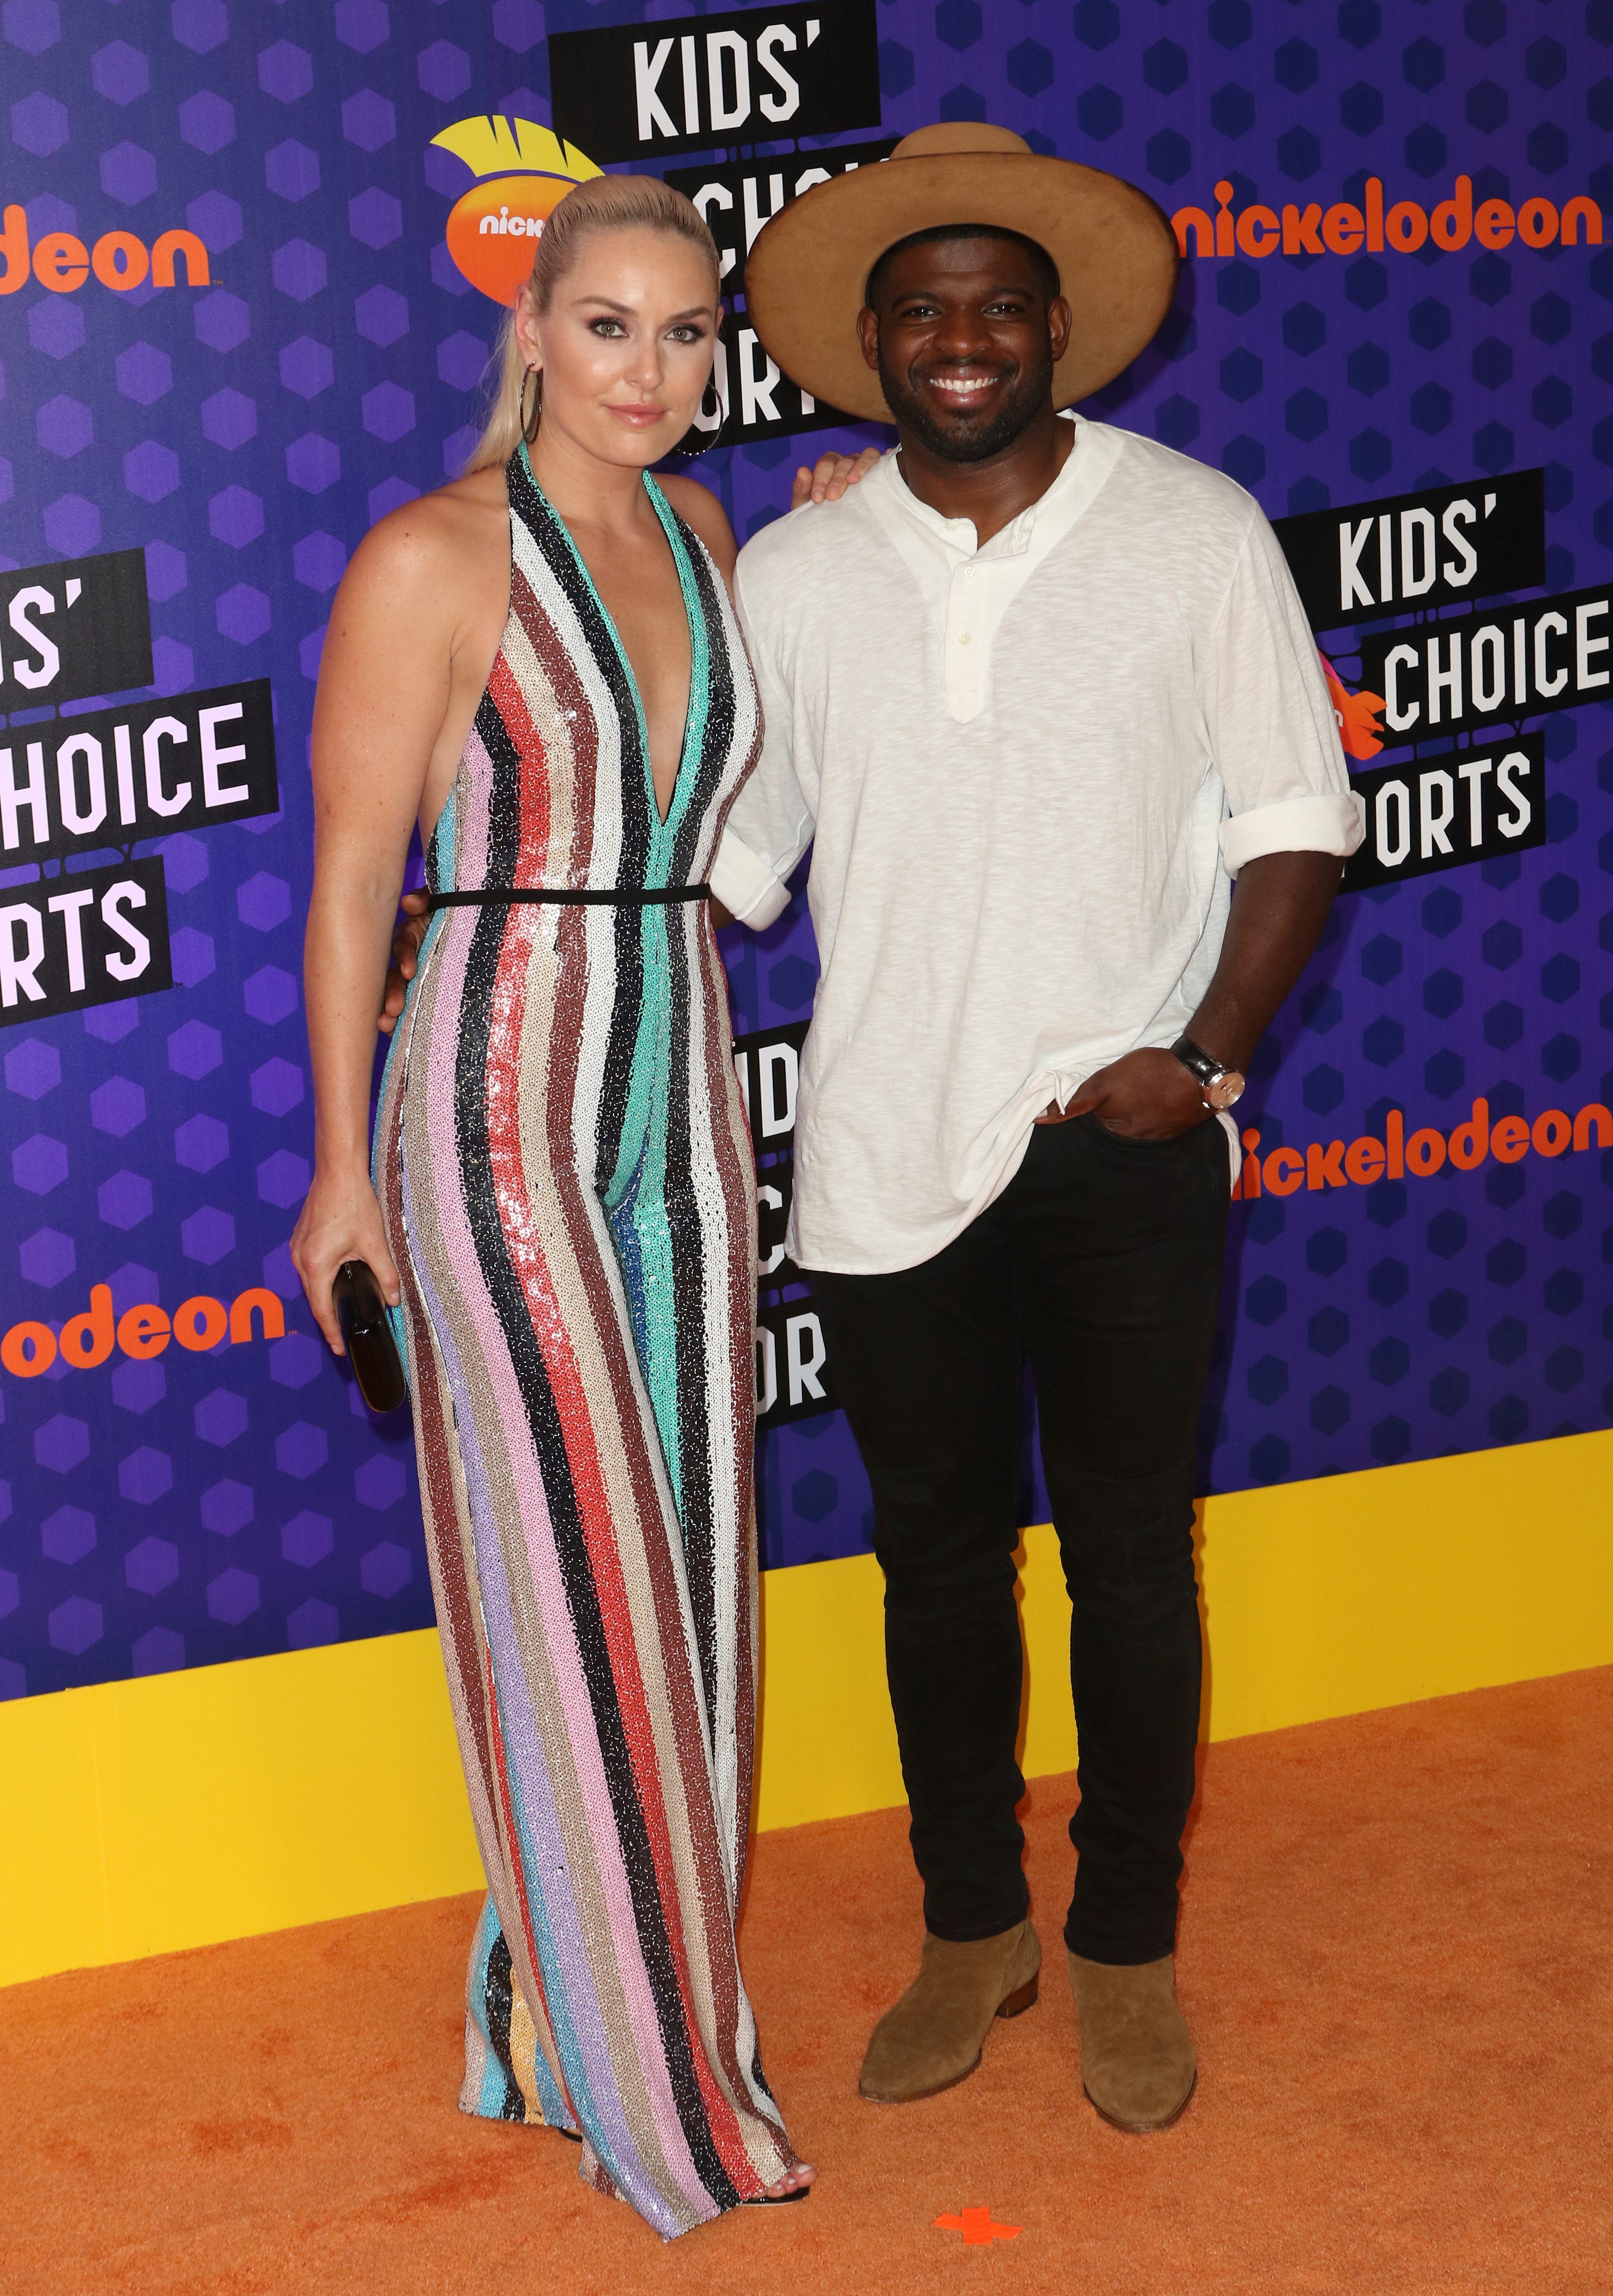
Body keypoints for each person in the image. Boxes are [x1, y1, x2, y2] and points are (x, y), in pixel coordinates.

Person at [382, 123, 1364, 2140]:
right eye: (921, 311)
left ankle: (1125, 1949)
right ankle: (970, 1923)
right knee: (932, 1570)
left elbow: (1298, 823)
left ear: (1064, 327)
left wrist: (1206, 1059)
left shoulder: (1200, 528)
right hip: (877, 1156)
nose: (963, 338)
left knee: (1130, 1567)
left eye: (1000, 303)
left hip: (1128, 1143)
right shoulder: (803, 565)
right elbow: (718, 859)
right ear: (868, 347)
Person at [291, 173, 816, 2238]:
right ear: (527, 333)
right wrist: (342, 1170)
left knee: (686, 1586)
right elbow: (351, 883)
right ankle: (673, 2101)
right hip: (494, 1098)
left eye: (688, 335)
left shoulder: (705, 533)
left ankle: (543, 2014)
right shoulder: (434, 558)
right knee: (590, 1584)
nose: (651, 372)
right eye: (608, 326)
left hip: (680, 1088)